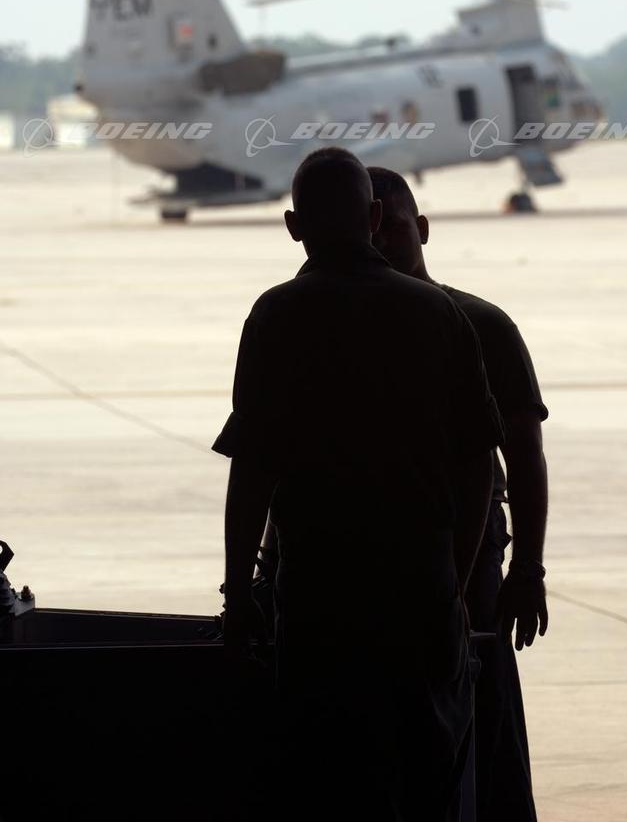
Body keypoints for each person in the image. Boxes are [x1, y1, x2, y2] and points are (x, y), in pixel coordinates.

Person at [213, 147, 503, 821]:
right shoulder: (440, 315)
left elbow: (253, 471)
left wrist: (239, 595)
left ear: (293, 227)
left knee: (331, 786)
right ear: (374, 217)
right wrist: (455, 586)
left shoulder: (277, 316)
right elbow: (478, 467)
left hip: (321, 606)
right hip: (422, 599)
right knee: (429, 782)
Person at [367, 166, 549, 822]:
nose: (381, 243)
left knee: (484, 724)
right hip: (367, 563)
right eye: (369, 230)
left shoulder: (481, 325)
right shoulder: (335, 323)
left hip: (467, 566)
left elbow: (524, 459)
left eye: (393, 228)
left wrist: (527, 569)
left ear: (422, 229)